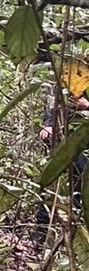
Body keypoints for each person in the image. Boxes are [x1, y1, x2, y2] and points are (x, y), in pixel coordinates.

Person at [36, 89, 89, 242]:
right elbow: (54, 100)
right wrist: (48, 124)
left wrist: (87, 106)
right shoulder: (71, 75)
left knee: (80, 186)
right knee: (49, 181)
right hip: (62, 136)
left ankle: (77, 233)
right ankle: (42, 230)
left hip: (83, 143)